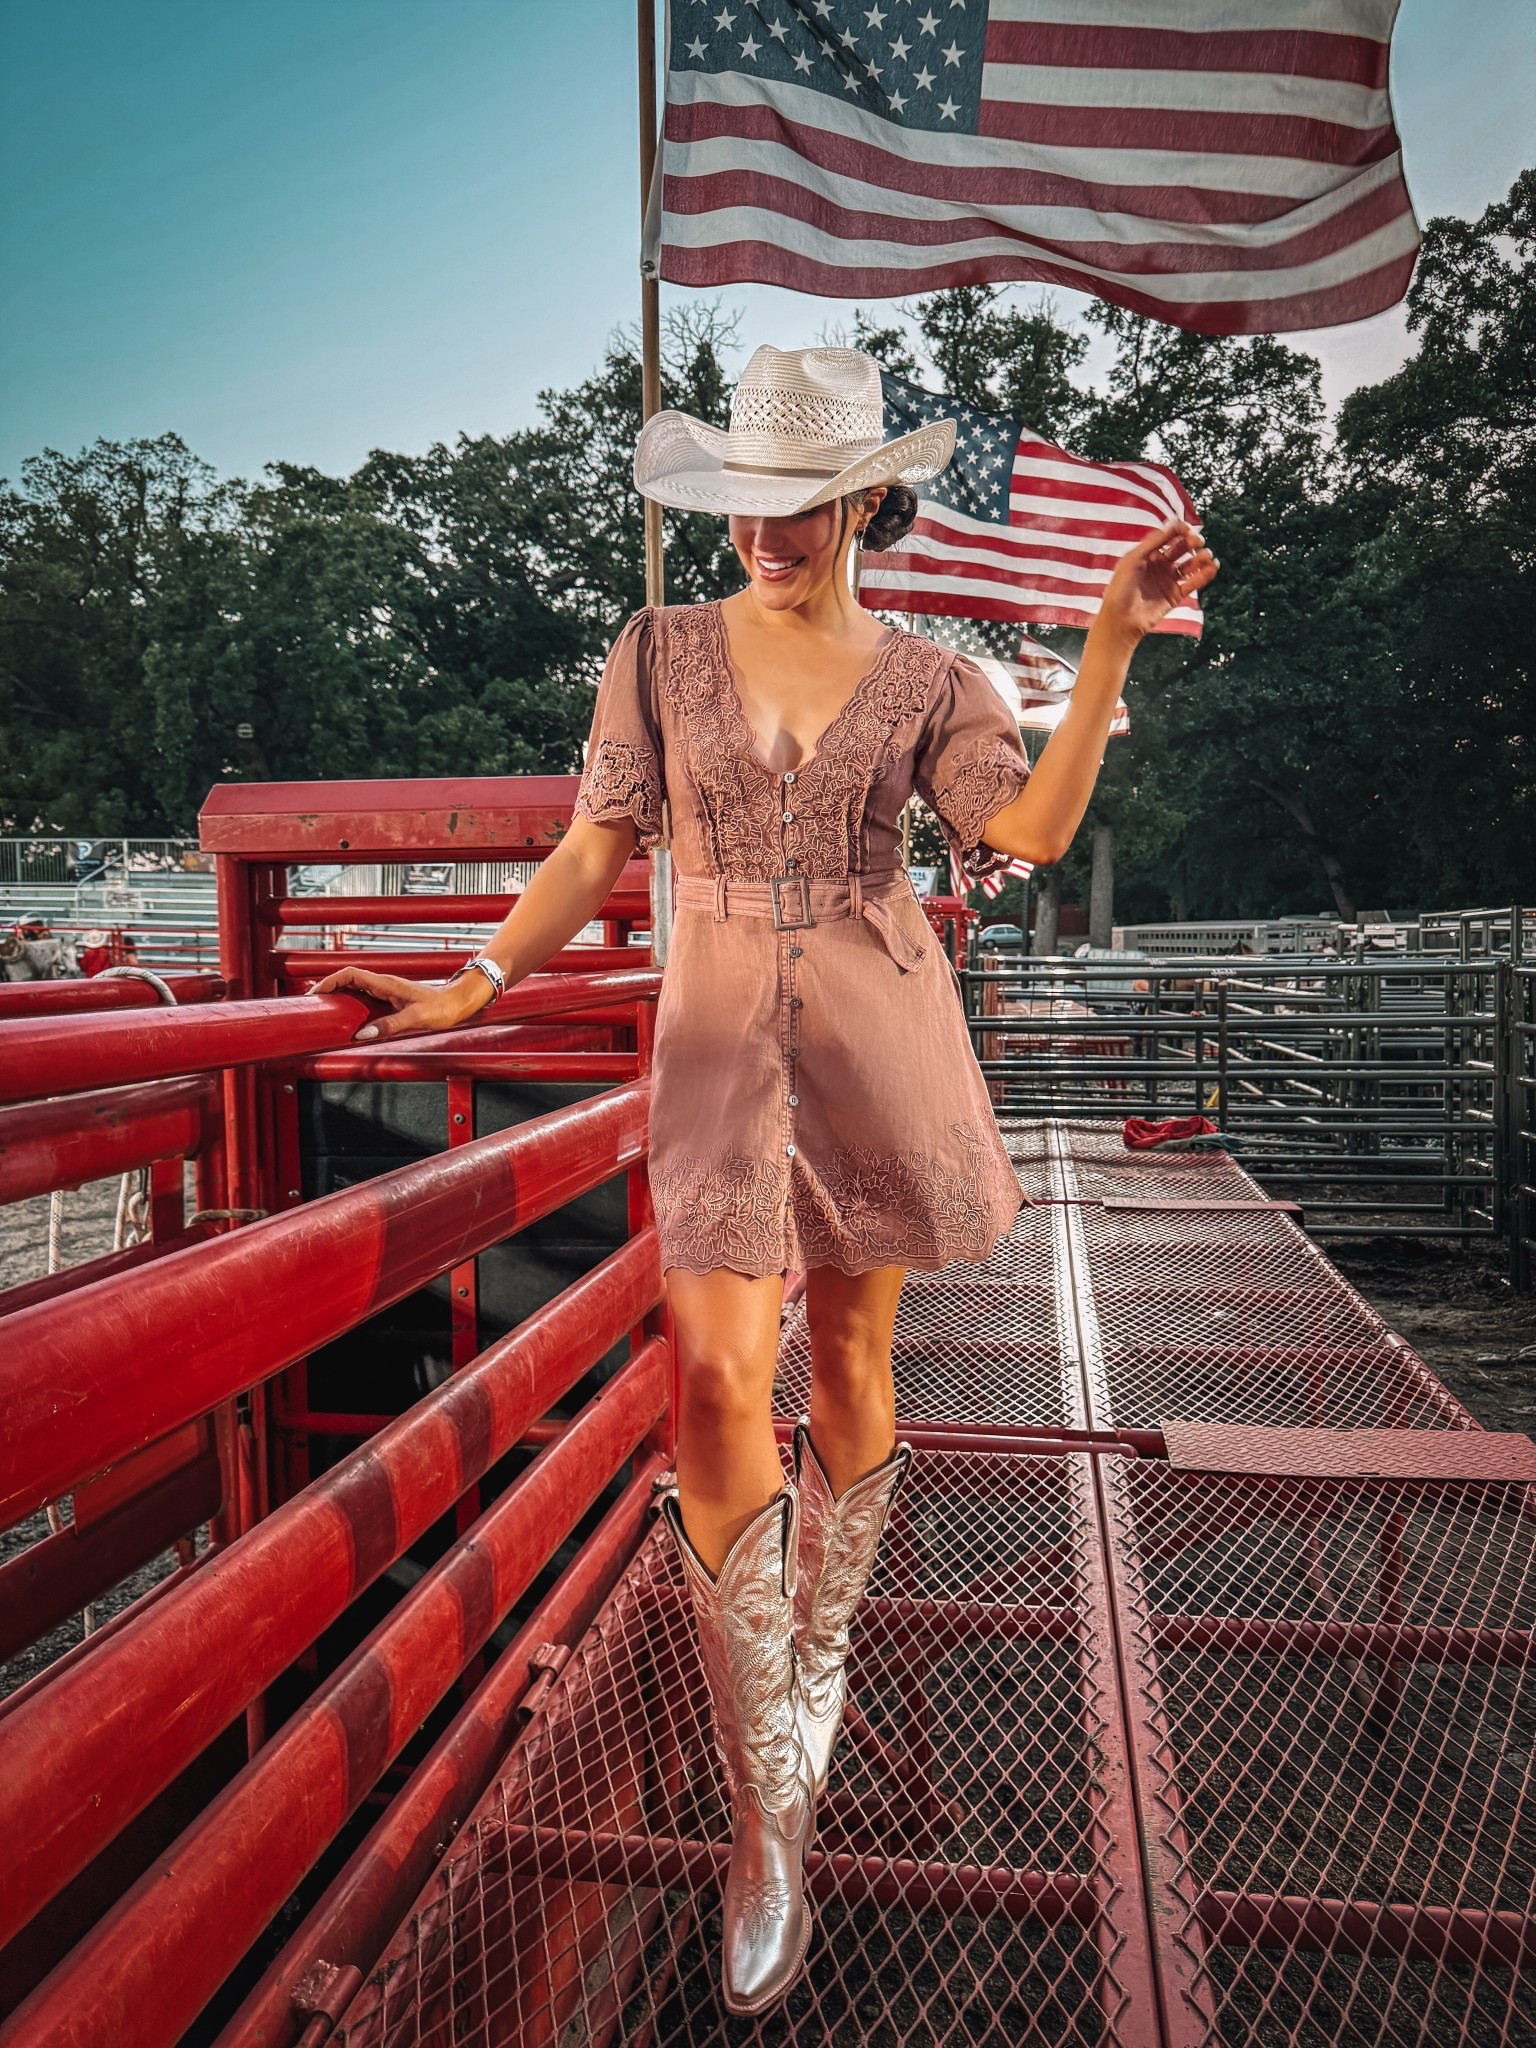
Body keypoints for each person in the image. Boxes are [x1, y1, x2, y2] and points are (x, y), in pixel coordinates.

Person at [314, 345, 1216, 2014]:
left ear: (867, 497)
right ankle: (770, 1798)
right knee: (724, 1385)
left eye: (802, 499)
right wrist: (476, 980)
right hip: (719, 1047)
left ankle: (824, 1652)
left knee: (856, 1362)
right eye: (746, 500)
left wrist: (1095, 650)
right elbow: (599, 842)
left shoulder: (941, 676)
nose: (768, 529)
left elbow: (1016, 840)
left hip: (880, 1030)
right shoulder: (655, 651)